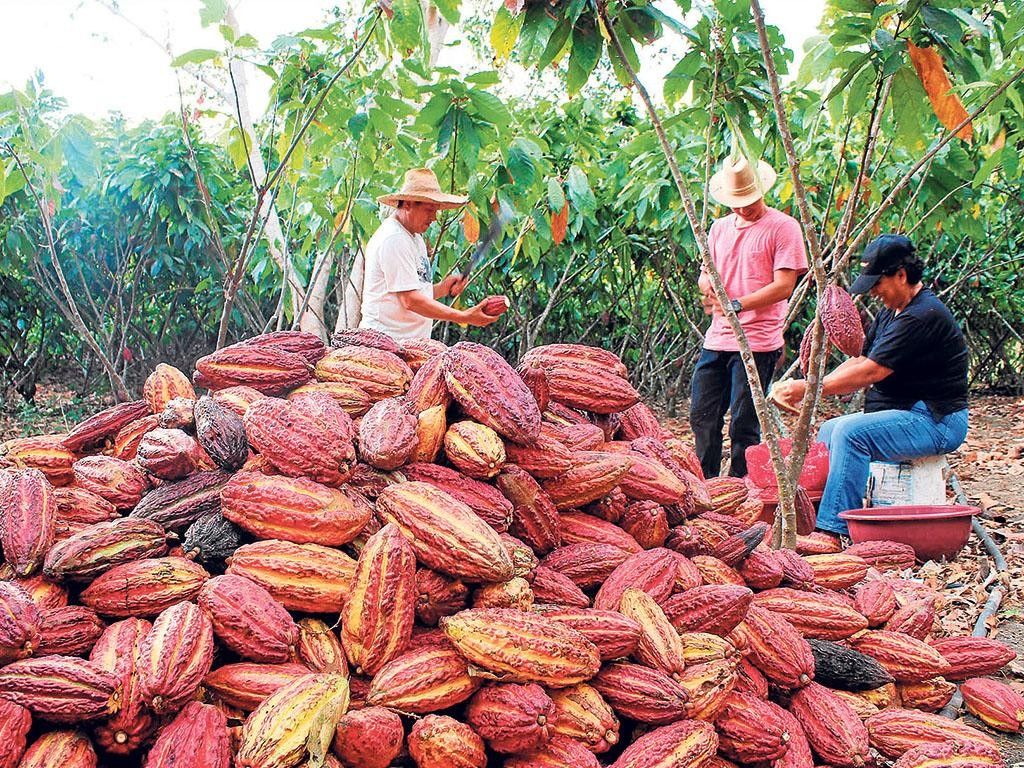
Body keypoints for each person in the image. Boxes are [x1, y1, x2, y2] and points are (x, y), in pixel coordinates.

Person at [770, 234, 969, 535]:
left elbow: (871, 373)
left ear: (901, 275)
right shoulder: (893, 312)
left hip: (936, 420)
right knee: (830, 430)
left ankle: (832, 531)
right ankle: (810, 518)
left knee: (851, 435)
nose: (874, 292)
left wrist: (809, 390)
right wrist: (808, 385)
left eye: (878, 283)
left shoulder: (922, 316)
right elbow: (862, 360)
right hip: (908, 412)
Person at [689, 155, 809, 478]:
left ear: (761, 191)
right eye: (736, 203)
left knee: (744, 423)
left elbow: (784, 285)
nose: (743, 209)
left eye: (748, 201)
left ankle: (741, 491)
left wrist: (738, 304)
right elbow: (704, 274)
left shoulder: (784, 227)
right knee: (702, 415)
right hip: (718, 338)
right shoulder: (718, 229)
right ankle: (707, 487)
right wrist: (709, 289)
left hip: (758, 340)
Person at [356, 168, 498, 341]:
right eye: (429, 210)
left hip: (407, 344)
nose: (434, 218)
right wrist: (464, 316)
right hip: (384, 343)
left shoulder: (414, 238)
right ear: (408, 204)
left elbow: (412, 290)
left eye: (436, 210)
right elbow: (410, 300)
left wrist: (442, 288)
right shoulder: (394, 238)